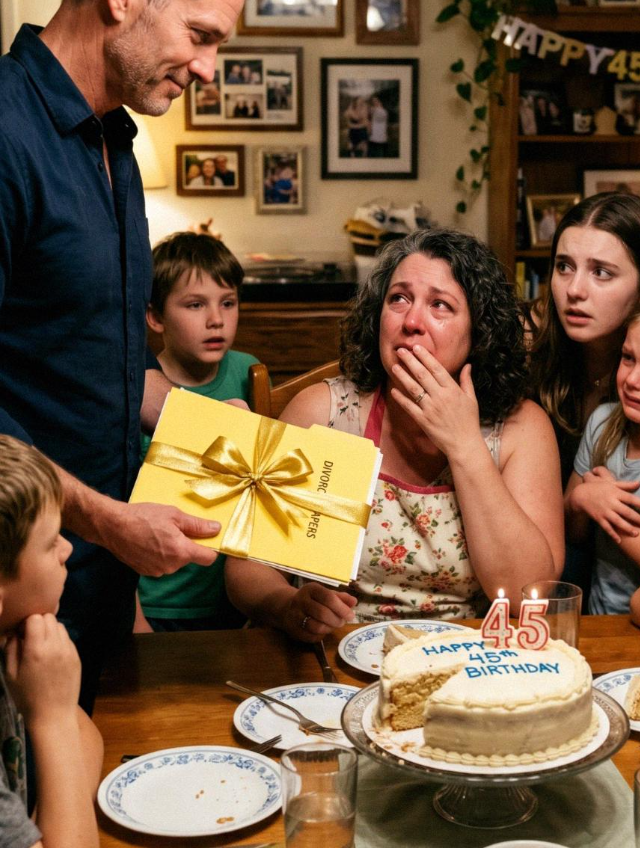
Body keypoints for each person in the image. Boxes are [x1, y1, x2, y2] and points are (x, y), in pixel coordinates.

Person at [0, 0, 264, 709]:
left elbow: (90, 355)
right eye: (200, 35)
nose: (208, 68)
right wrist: (107, 519)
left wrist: (226, 436)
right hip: (22, 588)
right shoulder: (7, 134)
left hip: (101, 588)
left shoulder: (117, 137)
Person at [226, 228, 564, 641]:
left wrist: (464, 445)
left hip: (466, 654)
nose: (411, 322)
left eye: (440, 305)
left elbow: (526, 594)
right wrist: (287, 605)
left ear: (479, 333)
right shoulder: (324, 414)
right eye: (399, 299)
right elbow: (246, 566)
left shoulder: (520, 429)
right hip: (335, 649)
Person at [137, 233, 258, 632]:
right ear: (155, 317)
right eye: (195, 304)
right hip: (161, 604)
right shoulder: (136, 394)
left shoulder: (249, 372)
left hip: (235, 598)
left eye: (228, 302)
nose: (216, 319)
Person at [528, 193, 640, 594]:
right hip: (536, 564)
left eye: (602, 272)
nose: (574, 290)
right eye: (564, 266)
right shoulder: (525, 348)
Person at [0, 435, 103, 848]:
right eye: (50, 541)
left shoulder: (13, 639)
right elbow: (68, 728)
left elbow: (85, 735)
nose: (68, 548)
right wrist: (51, 719)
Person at [565, 309, 640, 614]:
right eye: (628, 358)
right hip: (600, 622)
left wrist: (609, 510)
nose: (633, 380)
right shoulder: (602, 424)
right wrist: (580, 500)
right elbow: (573, 532)